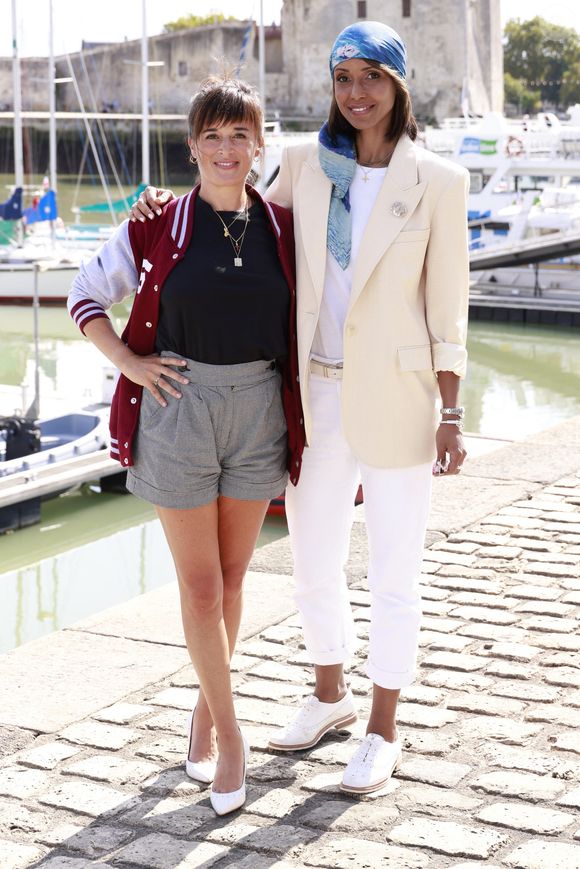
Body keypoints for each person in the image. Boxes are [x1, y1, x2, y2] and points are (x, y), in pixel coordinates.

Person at [131, 20, 468, 796]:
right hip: (310, 394)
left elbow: (449, 309)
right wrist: (155, 204)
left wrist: (451, 412)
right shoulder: (301, 167)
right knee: (312, 557)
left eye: (372, 78)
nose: (357, 93)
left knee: (394, 564)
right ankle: (329, 693)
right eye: (344, 79)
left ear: (398, 87)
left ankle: (383, 722)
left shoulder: (440, 182)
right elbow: (227, 204)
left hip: (401, 397)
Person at [68, 75, 304, 816]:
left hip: (259, 408)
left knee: (235, 580)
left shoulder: (282, 228)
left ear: (258, 143)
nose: (227, 148)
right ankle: (231, 737)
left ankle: (206, 710)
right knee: (201, 587)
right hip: (179, 408)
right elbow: (84, 294)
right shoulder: (155, 225)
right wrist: (130, 362)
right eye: (213, 135)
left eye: (241, 135)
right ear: (193, 145)